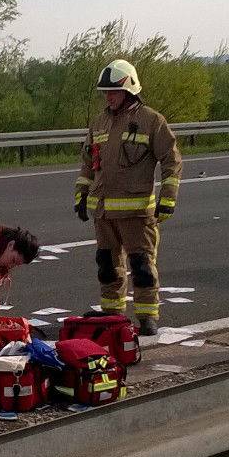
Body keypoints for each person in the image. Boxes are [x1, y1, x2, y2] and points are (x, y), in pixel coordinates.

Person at [73, 59, 182, 336]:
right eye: (105, 93)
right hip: (103, 213)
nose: (108, 97)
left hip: (136, 213)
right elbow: (88, 162)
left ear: (129, 90)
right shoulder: (99, 123)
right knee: (107, 266)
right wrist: (82, 194)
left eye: (113, 92)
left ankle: (147, 317)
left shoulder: (151, 121)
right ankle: (112, 317)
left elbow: (171, 161)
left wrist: (168, 198)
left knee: (142, 266)